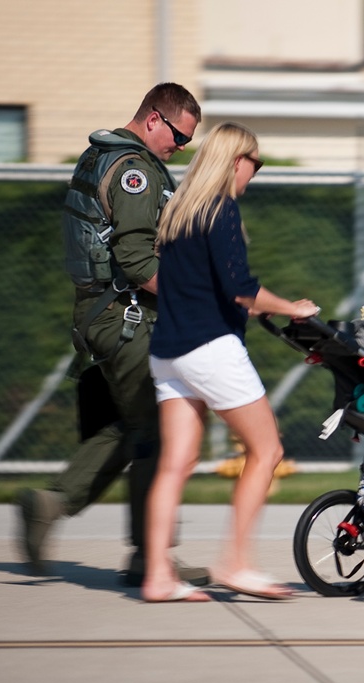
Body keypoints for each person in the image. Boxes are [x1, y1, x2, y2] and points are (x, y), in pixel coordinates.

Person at [16, 83, 209, 587]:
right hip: (126, 318)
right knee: (162, 433)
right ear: (153, 119)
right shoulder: (134, 171)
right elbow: (137, 260)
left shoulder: (99, 155)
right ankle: (151, 558)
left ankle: (52, 503)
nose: (181, 148)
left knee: (132, 426)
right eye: (178, 137)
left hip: (104, 313)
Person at [141, 122, 318, 603]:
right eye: (254, 162)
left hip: (168, 354)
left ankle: (157, 576)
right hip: (209, 349)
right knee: (267, 452)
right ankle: (235, 563)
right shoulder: (220, 211)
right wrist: (293, 309)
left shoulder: (180, 211)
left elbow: (200, 285)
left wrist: (260, 305)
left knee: (175, 465)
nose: (255, 172)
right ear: (235, 160)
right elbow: (241, 288)